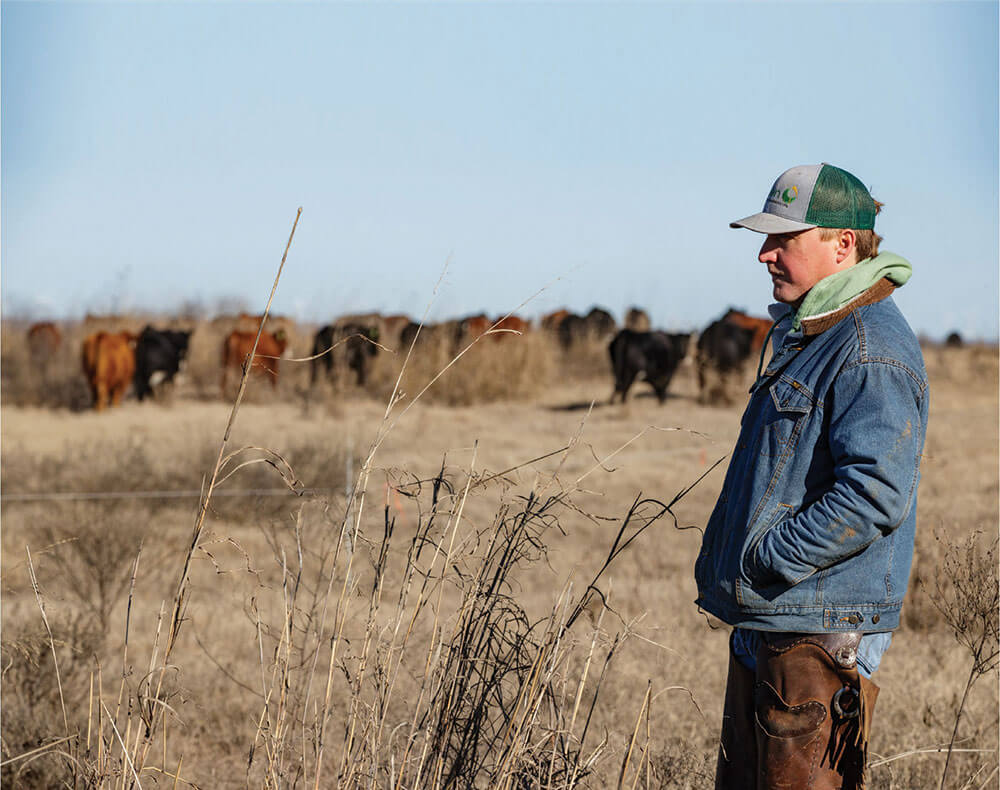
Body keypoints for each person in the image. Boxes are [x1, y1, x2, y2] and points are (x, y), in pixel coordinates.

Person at [694, 163, 929, 789]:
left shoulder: (867, 346)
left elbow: (875, 493)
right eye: (766, 239)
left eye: (783, 241)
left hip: (819, 630)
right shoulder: (813, 336)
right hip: (779, 620)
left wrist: (766, 556)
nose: (764, 255)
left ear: (843, 244)